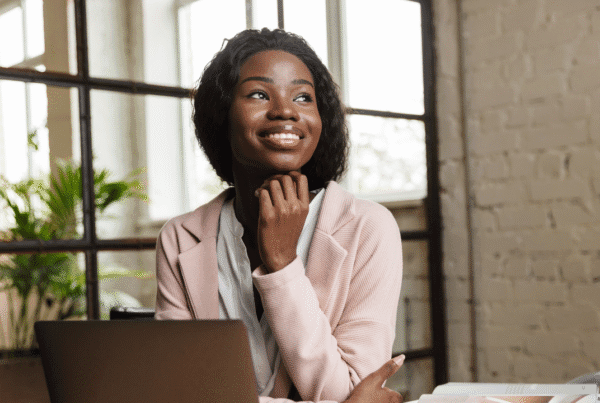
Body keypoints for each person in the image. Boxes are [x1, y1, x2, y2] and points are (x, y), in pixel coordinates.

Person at [155, 28, 404, 403]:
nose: (286, 111)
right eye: (258, 93)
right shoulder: (181, 237)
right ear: (221, 114)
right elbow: (175, 392)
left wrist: (283, 265)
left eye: (304, 97)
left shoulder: (369, 228)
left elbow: (350, 392)